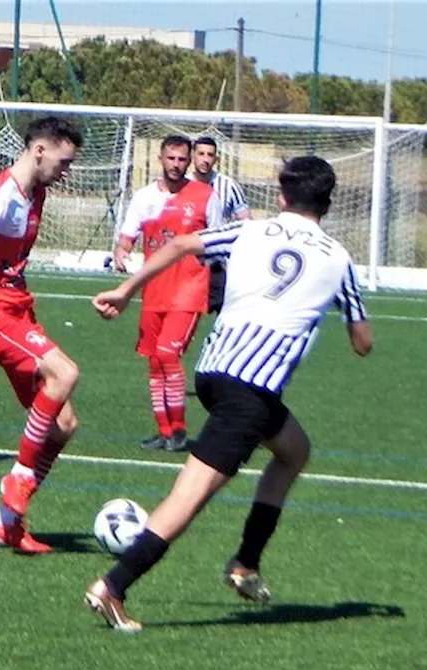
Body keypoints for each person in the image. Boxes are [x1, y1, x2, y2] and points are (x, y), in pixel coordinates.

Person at [84, 156, 373, 632]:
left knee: (294, 451)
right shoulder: (337, 258)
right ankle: (112, 587)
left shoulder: (250, 232)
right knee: (189, 496)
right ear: (328, 203)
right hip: (250, 393)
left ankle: (246, 564)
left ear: (281, 197)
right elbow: (363, 343)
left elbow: (180, 243)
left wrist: (126, 289)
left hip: (214, 374)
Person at [0, 116, 83, 555]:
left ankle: (6, 522)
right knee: (64, 373)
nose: (67, 171)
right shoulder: (0, 196)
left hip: (18, 311)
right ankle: (19, 478)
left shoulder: (36, 191)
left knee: (62, 426)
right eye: (63, 162)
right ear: (39, 150)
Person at [111, 135, 223, 453]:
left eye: (181, 159)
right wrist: (121, 252)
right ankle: (163, 430)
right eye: (171, 158)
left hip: (189, 290)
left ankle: (179, 431)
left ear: (189, 162)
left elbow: (217, 241)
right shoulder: (144, 198)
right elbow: (126, 237)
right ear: (160, 159)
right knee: (153, 361)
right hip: (154, 291)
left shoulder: (205, 196)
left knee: (167, 354)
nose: (176, 165)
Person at [190, 136, 252, 314]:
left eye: (210, 155)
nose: (205, 159)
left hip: (219, 263)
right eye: (201, 154)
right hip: (190, 261)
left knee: (226, 313)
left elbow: (245, 221)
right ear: (193, 156)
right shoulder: (183, 183)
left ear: (215, 159)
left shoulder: (228, 185)